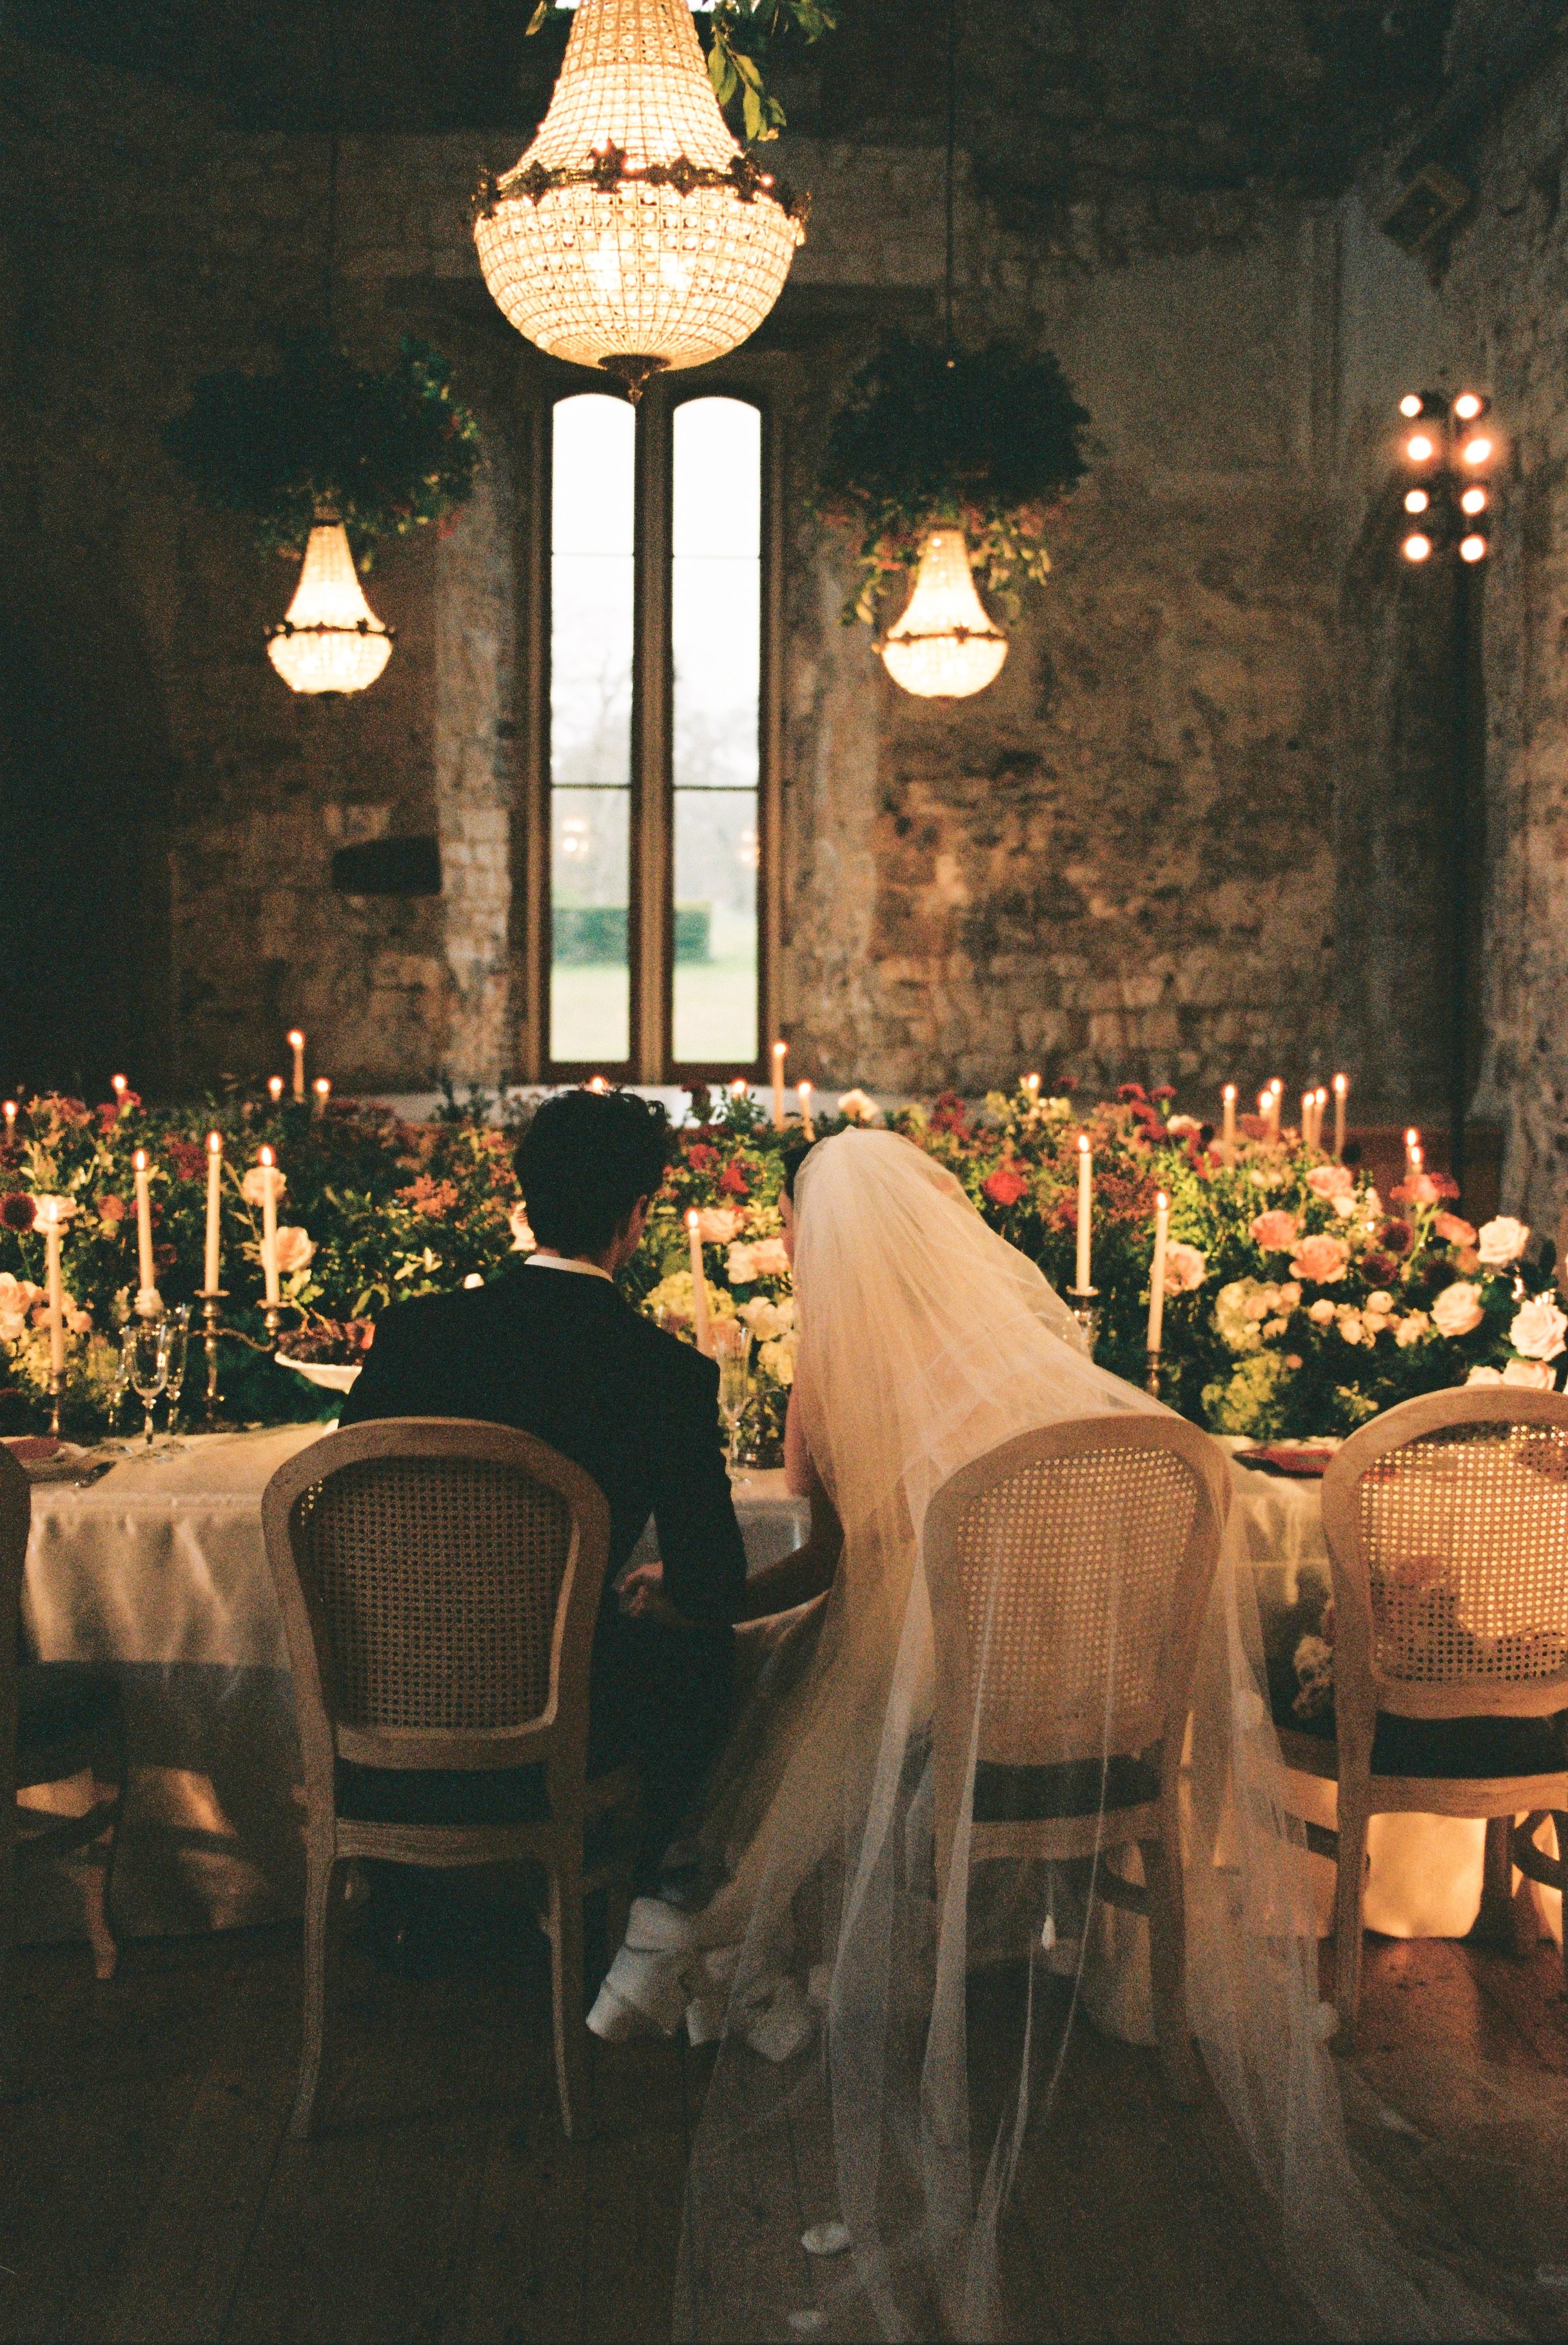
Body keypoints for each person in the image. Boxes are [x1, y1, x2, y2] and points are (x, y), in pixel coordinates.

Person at [591, 1128, 1494, 2343]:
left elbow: (821, 1566)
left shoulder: (829, 1375)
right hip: (1102, 1717)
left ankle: (698, 1935)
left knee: (790, 1692)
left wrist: (693, 1596)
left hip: (949, 1717)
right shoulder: (1041, 1369)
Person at [340, 1086, 747, 1892]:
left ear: (527, 1201)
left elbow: (339, 1504)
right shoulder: (665, 1375)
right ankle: (632, 1890)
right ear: (636, 1215)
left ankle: (406, 1888)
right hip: (563, 1725)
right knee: (707, 1653)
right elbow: (715, 1584)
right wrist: (666, 1586)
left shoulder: (416, 1334)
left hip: (385, 1707)